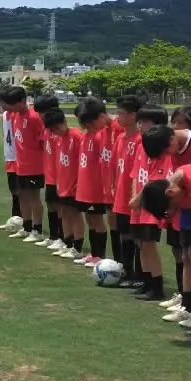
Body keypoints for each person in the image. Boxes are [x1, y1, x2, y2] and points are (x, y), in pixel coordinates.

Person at [139, 124, 191, 329]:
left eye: (166, 151)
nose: (167, 156)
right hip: (183, 206)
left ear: (172, 141)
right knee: (186, 256)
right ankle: (188, 304)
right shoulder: (172, 148)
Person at [127, 105, 172, 302]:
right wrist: (135, 196)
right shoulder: (141, 145)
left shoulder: (162, 149)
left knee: (149, 245)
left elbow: (159, 179)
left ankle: (157, 286)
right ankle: (146, 281)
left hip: (151, 205)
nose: (140, 125)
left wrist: (140, 197)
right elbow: (136, 175)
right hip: (139, 204)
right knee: (141, 245)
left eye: (144, 122)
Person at [0, 86, 46, 242]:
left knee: (34, 197)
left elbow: (43, 142)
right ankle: (26, 227)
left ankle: (37, 230)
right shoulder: (16, 116)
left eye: (11, 104)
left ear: (21, 101)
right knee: (23, 196)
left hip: (34, 166)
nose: (9, 108)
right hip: (21, 165)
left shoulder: (34, 117)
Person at [43, 108, 86, 261]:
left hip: (75, 185)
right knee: (65, 213)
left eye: (57, 128)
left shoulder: (76, 137)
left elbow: (82, 162)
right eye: (52, 130)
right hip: (63, 184)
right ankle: (67, 244)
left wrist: (79, 182)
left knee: (75, 214)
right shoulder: (58, 139)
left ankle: (78, 247)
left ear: (64, 122)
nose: (55, 132)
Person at [73, 98, 112, 267]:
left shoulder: (99, 137)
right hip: (84, 187)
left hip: (95, 187)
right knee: (89, 218)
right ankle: (94, 253)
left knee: (97, 220)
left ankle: (100, 255)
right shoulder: (85, 137)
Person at [110, 96, 143, 286]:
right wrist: (114, 185)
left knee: (137, 237)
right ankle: (127, 272)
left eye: (121, 113)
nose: (117, 116)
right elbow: (115, 165)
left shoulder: (140, 140)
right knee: (124, 235)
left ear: (133, 115)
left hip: (134, 196)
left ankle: (139, 276)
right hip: (121, 196)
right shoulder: (121, 138)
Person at [35, 94, 65, 250]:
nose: (39, 116)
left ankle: (62, 237)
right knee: (51, 205)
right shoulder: (46, 130)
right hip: (50, 175)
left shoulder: (58, 132)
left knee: (61, 208)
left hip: (60, 176)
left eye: (41, 112)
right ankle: (53, 236)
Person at [0, 92, 22, 231]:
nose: (0, 105)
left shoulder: (16, 115)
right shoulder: (5, 116)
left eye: (2, 102)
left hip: (19, 159)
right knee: (14, 192)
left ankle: (23, 222)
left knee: (21, 193)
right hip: (9, 158)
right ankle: (15, 220)